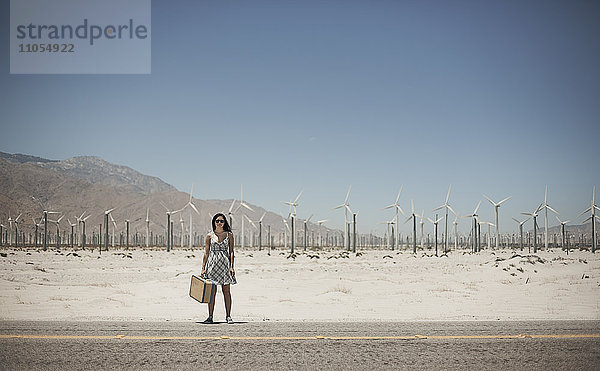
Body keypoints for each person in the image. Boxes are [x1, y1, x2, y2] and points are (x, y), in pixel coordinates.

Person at [201, 213, 236, 324]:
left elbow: (231, 251)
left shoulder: (229, 235)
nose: (219, 223)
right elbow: (206, 252)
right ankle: (210, 316)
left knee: (226, 291)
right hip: (212, 265)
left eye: (221, 221)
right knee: (212, 292)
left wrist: (231, 266)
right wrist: (203, 267)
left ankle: (228, 316)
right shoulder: (209, 236)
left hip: (225, 265)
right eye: (217, 221)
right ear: (214, 222)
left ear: (224, 222)